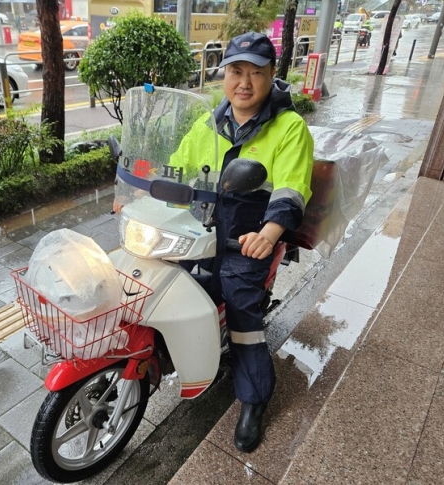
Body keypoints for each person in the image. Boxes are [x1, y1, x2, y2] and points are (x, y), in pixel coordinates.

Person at [114, 32, 314, 452]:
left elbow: (292, 190)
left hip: (245, 239)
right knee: (149, 280)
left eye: (255, 73)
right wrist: (135, 192)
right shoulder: (208, 121)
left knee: (243, 313)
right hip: (196, 231)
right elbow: (176, 166)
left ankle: (254, 398)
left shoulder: (289, 128)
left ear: (270, 75)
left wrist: (270, 233)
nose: (244, 82)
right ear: (224, 75)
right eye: (236, 71)